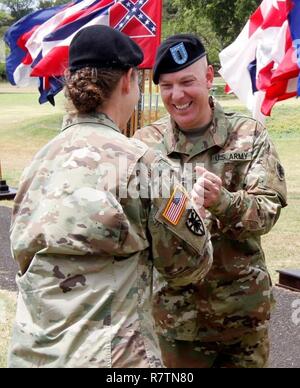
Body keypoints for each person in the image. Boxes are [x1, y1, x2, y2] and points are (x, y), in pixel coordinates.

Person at [8, 27, 213, 368]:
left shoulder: (38, 162)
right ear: (128, 81)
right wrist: (199, 213)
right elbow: (189, 265)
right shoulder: (141, 164)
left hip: (32, 357)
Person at [134, 34, 288, 368]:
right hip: (176, 322)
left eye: (187, 82)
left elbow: (268, 211)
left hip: (242, 320)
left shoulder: (248, 135)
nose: (178, 95)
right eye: (167, 86)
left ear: (208, 77)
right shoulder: (145, 145)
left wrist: (225, 202)